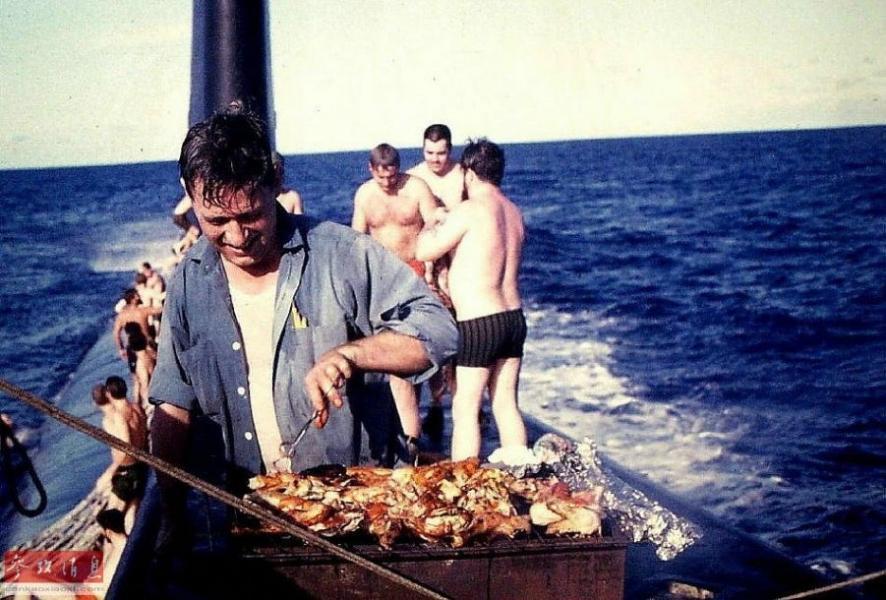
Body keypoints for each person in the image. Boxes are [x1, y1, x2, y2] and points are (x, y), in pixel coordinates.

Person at [149, 104, 456, 546]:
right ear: (188, 195)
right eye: (216, 221)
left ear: (276, 181)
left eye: (250, 215)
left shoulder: (342, 254)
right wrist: (171, 518)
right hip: (243, 527)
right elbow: (173, 404)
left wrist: (353, 354)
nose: (236, 237)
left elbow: (440, 330)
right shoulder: (187, 281)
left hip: (355, 524)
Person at [416, 139, 528, 460]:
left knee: (466, 407)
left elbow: (424, 251)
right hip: (513, 318)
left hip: (479, 321)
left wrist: (430, 222)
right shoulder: (514, 212)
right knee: (505, 403)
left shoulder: (469, 210)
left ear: (469, 174)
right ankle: (521, 472)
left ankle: (464, 482)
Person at [351, 143, 440, 447]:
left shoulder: (416, 188)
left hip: (416, 275)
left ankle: (429, 409)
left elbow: (434, 224)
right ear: (371, 169)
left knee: (421, 346)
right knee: (394, 352)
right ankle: (406, 428)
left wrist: (433, 271)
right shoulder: (365, 195)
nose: (387, 183)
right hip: (383, 281)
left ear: (398, 169)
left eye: (392, 176)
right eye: (381, 177)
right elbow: (357, 239)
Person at [93, 377, 148, 533]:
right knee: (131, 515)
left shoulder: (119, 416)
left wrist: (111, 472)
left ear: (109, 393)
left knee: (111, 520)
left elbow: (126, 446)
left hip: (126, 472)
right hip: (140, 468)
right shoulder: (137, 408)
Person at [407, 124, 465, 211]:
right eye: (430, 153)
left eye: (441, 153)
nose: (435, 159)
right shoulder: (411, 177)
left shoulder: (465, 175)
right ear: (423, 149)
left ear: (450, 150)